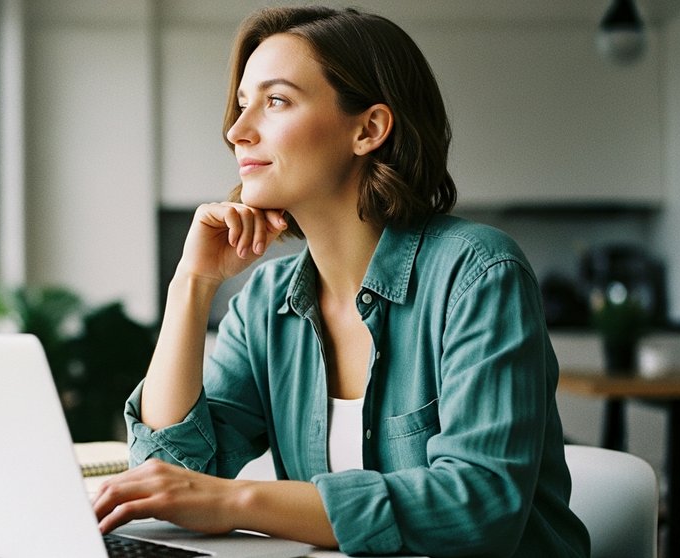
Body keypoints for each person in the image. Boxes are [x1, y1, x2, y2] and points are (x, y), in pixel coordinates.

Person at [92, 6, 591, 557]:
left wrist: (238, 501)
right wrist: (191, 284)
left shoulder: (478, 273)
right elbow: (168, 475)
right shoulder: (264, 304)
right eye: (241, 104)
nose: (237, 131)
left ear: (368, 129)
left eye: (275, 101)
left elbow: (478, 504)